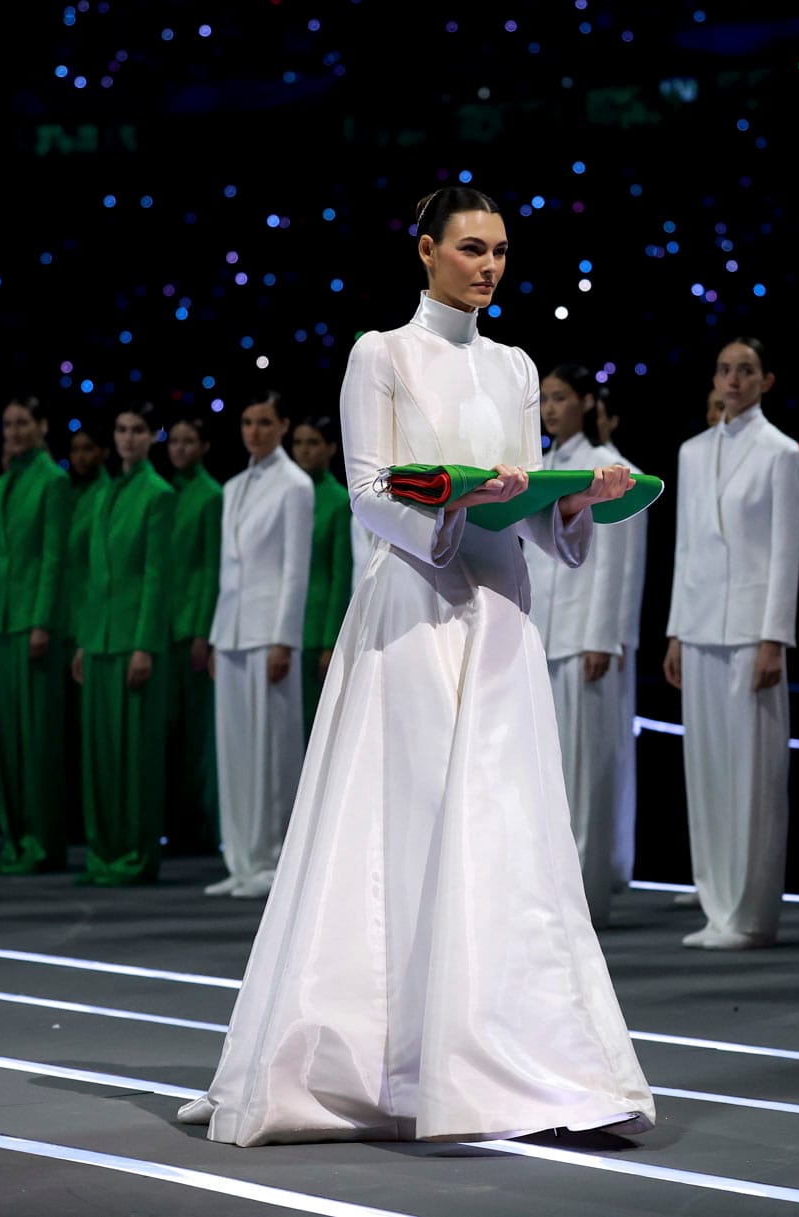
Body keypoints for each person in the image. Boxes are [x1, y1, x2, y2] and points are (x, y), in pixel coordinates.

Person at [180, 185, 652, 1145]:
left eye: (501, 251)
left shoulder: (515, 366)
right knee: (407, 825)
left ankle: (522, 1055)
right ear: (426, 250)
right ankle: (393, 1061)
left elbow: (528, 499)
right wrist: (452, 509)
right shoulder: (380, 353)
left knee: (506, 826)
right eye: (472, 248)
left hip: (502, 614)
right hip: (415, 608)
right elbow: (365, 492)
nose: (490, 266)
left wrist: (570, 501)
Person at [664, 337, 799, 949]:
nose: (733, 379)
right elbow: (685, 546)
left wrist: (774, 637)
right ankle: (717, 907)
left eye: (746, 371)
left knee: (753, 776)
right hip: (699, 625)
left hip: (750, 630)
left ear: (766, 381)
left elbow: (785, 552)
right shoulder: (692, 452)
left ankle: (750, 913)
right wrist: (675, 629)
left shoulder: (780, 452)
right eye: (725, 369)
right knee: (708, 773)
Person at [527, 363, 629, 929]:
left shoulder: (605, 464)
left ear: (586, 402)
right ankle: (549, 895)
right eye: (545, 398)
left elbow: (612, 562)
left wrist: (600, 636)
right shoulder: (537, 466)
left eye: (561, 397)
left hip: (581, 634)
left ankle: (586, 898)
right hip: (540, 632)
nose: (550, 408)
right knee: (545, 772)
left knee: (585, 773)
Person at [205, 391, 313, 899]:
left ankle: (271, 860)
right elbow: (227, 568)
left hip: (268, 631)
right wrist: (216, 634)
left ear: (283, 425)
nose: (254, 431)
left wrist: (283, 638)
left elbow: (295, 568)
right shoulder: (232, 487)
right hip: (231, 628)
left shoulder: (296, 485)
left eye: (265, 422)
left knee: (272, 750)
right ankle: (240, 858)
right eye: (247, 422)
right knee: (234, 751)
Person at [0, 396, 73, 874]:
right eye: (8, 423)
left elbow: (54, 557)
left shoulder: (53, 481)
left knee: (36, 737)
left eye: (22, 422)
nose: (13, 431)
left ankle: (42, 843)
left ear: (42, 426)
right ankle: (13, 840)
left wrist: (42, 621)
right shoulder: (4, 482)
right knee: (5, 736)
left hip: (31, 620)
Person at [72, 404, 175, 886]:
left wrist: (145, 645)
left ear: (152, 437)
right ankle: (104, 852)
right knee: (99, 754)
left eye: (137, 430)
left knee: (135, 755)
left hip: (133, 638)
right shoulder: (105, 492)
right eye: (121, 429)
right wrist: (83, 639)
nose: (128, 438)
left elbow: (157, 576)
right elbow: (93, 575)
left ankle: (135, 854)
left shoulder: (158, 494)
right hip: (99, 638)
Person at [594, 388, 649, 894]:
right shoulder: (553, 463)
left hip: (600, 634)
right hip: (560, 627)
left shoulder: (619, 472)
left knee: (603, 754)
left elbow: (622, 566)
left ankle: (608, 865)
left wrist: (612, 636)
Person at [164, 416, 224, 855]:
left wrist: (204, 630)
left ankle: (199, 828)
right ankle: (176, 824)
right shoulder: (166, 493)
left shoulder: (211, 495)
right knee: (170, 733)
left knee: (196, 736)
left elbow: (210, 567)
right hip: (163, 627)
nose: (180, 448)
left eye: (188, 441)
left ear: (204, 446)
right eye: (175, 441)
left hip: (192, 628)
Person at [288, 414, 354, 736]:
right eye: (298, 443)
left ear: (331, 448)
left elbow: (340, 576)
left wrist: (330, 643)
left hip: (315, 630)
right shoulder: (285, 494)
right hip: (281, 628)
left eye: (313, 443)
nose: (304, 450)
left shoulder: (339, 501)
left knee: (310, 726)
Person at [62, 427, 111, 841]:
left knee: (99, 734)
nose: (80, 457)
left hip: (96, 622)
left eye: (88, 448)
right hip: (70, 620)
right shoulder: (70, 495)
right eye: (75, 449)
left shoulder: (104, 495)